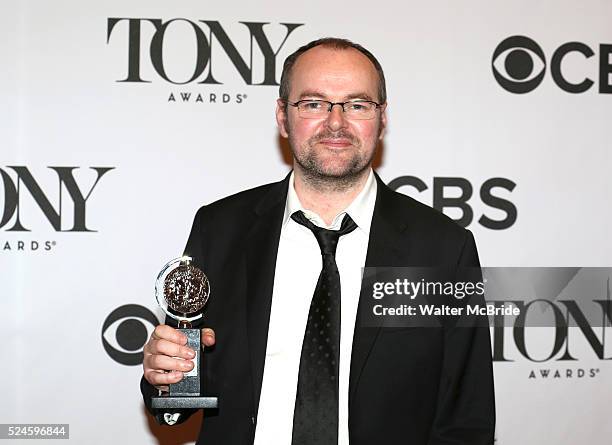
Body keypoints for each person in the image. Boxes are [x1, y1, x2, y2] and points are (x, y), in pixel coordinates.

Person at [140, 37, 495, 445]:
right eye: (313, 104)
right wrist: (166, 379)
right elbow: (176, 405)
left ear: (382, 119)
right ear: (282, 116)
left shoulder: (442, 249)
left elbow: (466, 418)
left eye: (357, 105)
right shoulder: (220, 228)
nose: (336, 123)